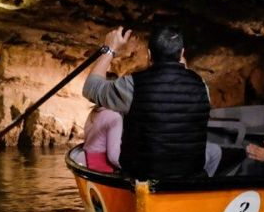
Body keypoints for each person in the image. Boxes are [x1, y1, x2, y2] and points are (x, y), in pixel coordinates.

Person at [82, 25, 222, 180]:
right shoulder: (202, 86)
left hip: (144, 180)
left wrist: (109, 49)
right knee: (214, 151)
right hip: (189, 179)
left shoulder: (132, 85)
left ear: (149, 55)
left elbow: (91, 88)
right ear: (182, 53)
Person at [83, 104, 122, 172]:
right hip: (105, 169)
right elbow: (113, 157)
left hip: (89, 165)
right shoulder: (115, 117)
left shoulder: (95, 111)